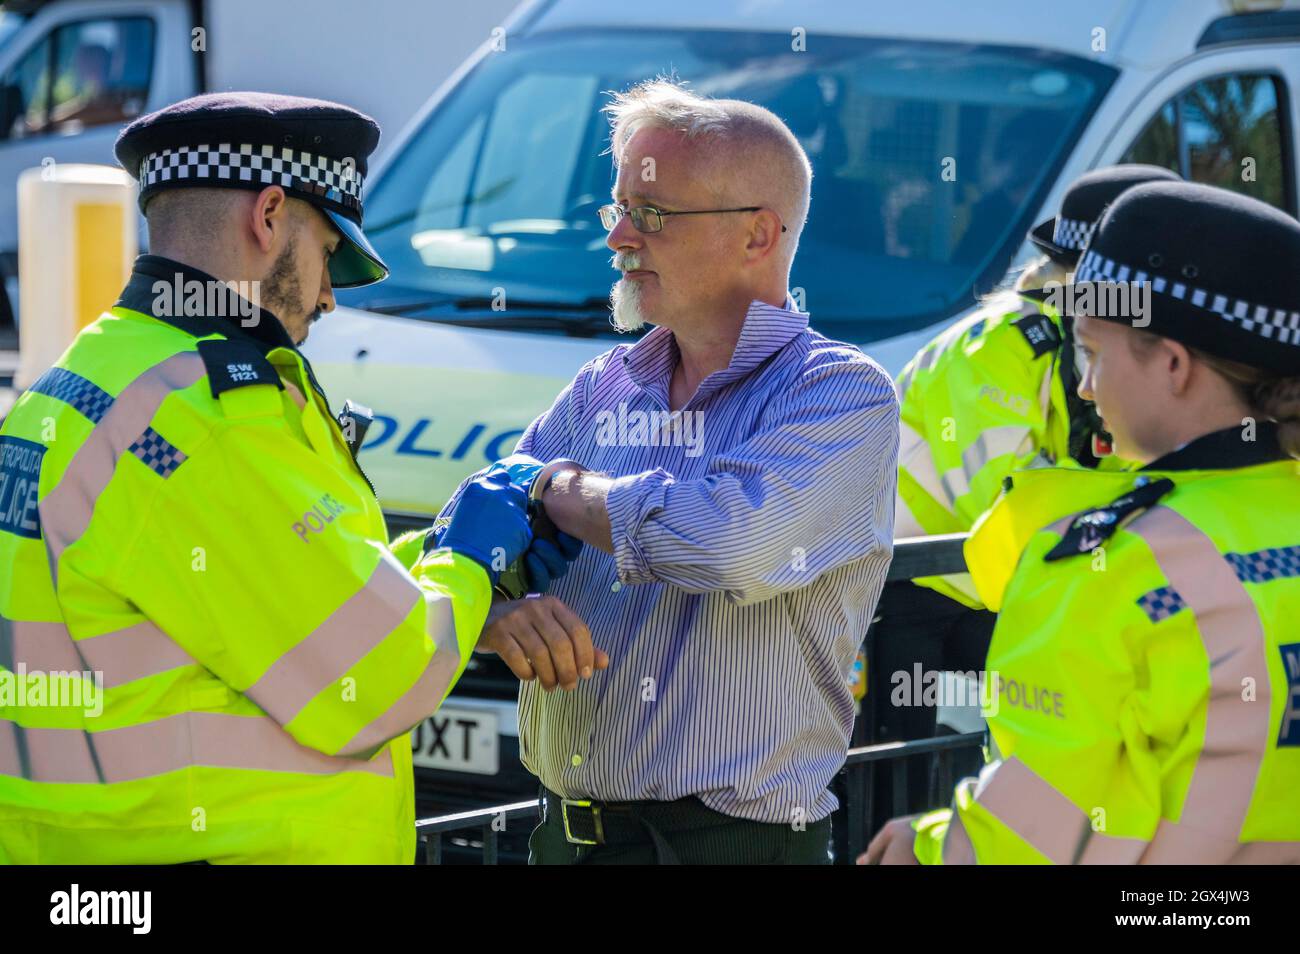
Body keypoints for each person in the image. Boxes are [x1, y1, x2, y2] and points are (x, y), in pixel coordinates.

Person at [0, 92, 590, 864]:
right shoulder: (211, 418)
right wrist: (472, 559)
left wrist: (425, 560)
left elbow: (260, 604)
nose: (328, 295)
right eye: (328, 255)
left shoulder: (95, 371)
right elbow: (370, 676)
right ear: (269, 214)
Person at [438, 79, 900, 864]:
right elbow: (466, 542)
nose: (619, 237)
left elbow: (725, 545)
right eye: (616, 209)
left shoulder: (842, 393)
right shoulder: (603, 384)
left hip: (733, 846)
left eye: (651, 214)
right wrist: (496, 617)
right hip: (566, 836)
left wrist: (558, 489)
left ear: (759, 236)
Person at [866, 180, 1300, 864]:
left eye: (1094, 353)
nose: (1087, 389)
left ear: (1175, 365)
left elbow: (1036, 832)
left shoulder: (1106, 566)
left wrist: (924, 850)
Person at [869, 165, 1181, 827]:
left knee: (1019, 747)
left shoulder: (1092, 343)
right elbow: (1010, 502)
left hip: (990, 585)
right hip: (911, 589)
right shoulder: (999, 348)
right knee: (892, 781)